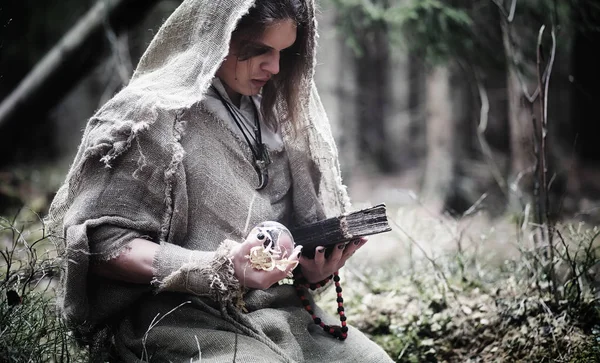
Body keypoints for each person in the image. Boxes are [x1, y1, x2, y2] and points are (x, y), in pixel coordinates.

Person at [47, 0, 394, 362]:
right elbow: (102, 246)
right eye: (258, 50)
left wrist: (312, 268)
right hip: (175, 320)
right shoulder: (151, 118)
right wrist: (218, 269)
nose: (274, 67)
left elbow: (287, 238)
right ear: (218, 36)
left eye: (283, 53)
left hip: (278, 314)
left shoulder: (278, 115)